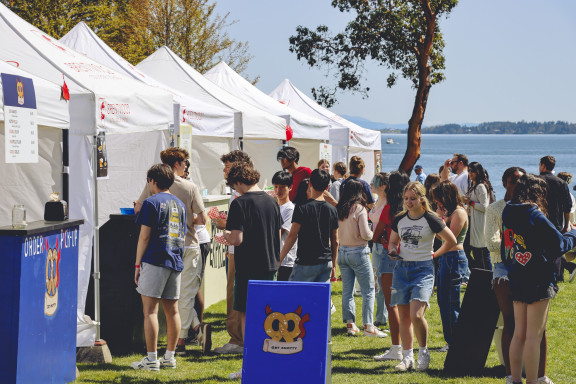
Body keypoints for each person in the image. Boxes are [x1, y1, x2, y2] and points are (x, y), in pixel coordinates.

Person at [134, 148, 210, 355]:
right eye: (185, 161)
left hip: (160, 248)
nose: (187, 165)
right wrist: (186, 220)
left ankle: (169, 349)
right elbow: (202, 219)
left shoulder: (153, 189)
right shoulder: (189, 187)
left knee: (153, 308)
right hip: (186, 244)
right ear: (176, 163)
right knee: (182, 299)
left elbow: (139, 210)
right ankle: (179, 345)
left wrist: (137, 263)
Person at [502, 174, 576, 384]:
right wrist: (574, 234)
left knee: (519, 333)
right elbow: (559, 244)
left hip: (517, 273)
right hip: (538, 277)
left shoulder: (508, 210)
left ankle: (515, 379)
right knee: (534, 335)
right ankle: (532, 381)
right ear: (537, 192)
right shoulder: (534, 213)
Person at [485, 166, 551, 384]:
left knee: (534, 328)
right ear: (504, 183)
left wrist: (516, 241)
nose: (517, 184)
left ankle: (537, 376)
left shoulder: (524, 209)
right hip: (506, 267)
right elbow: (491, 242)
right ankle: (512, 375)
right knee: (513, 325)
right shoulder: (498, 208)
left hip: (521, 265)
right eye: (513, 180)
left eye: (520, 180)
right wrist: (517, 242)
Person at [388, 182, 457, 372]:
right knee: (404, 317)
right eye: (406, 199)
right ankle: (407, 356)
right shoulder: (400, 219)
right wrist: (392, 250)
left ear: (421, 199)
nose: (409, 202)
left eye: (412, 198)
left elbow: (451, 240)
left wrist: (435, 255)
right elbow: (393, 241)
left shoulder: (431, 219)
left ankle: (423, 351)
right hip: (401, 269)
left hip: (423, 270)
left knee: (416, 315)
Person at [223, 162, 282, 380]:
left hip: (248, 267)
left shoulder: (240, 203)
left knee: (247, 317)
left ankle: (251, 364)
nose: (234, 190)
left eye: (233, 186)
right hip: (270, 264)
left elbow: (237, 240)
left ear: (238, 182)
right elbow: (277, 235)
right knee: (269, 316)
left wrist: (225, 234)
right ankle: (268, 361)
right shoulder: (271, 200)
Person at [131, 164, 186, 371]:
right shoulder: (179, 203)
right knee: (173, 311)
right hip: (175, 259)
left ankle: (152, 359)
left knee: (150, 312)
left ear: (152, 181)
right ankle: (169, 357)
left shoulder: (150, 203)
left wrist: (137, 264)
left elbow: (144, 236)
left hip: (155, 259)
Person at [213, 150, 253, 355]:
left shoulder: (240, 195)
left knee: (235, 295)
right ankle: (239, 337)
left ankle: (237, 339)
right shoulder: (242, 193)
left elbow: (242, 225)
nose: (224, 170)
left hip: (237, 251)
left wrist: (224, 224)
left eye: (227, 167)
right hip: (237, 250)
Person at [336, 179, 387, 337]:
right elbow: (365, 234)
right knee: (369, 290)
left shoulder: (340, 209)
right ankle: (369, 326)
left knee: (347, 291)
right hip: (358, 251)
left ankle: (350, 325)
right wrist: (374, 234)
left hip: (342, 252)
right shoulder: (359, 208)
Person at [373, 171, 410, 362]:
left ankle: (396, 347)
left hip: (390, 256)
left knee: (392, 305)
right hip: (410, 257)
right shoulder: (411, 209)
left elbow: (376, 234)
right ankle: (409, 348)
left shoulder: (390, 209)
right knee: (408, 306)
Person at [280, 169, 339, 283]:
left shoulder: (302, 208)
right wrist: (334, 265)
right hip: (325, 262)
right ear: (327, 187)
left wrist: (280, 259)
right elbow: (335, 240)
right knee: (319, 299)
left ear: (310, 184)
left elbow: (292, 236)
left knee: (296, 297)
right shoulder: (332, 210)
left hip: (305, 262)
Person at [432, 180, 469, 352]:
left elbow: (450, 239)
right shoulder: (450, 212)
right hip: (447, 257)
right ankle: (451, 340)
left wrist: (434, 255)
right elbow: (441, 237)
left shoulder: (459, 213)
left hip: (454, 257)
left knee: (451, 302)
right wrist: (440, 219)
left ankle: (456, 342)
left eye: (439, 199)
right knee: (443, 301)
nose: (437, 203)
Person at [540, 157, 573, 282]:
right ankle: (557, 277)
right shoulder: (561, 183)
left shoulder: (537, 181)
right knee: (556, 252)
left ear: (542, 165)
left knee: (540, 251)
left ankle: (543, 276)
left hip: (540, 221)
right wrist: (566, 225)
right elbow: (567, 206)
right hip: (556, 221)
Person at [463, 161, 494, 270]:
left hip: (479, 224)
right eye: (469, 170)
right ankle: (479, 274)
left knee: (481, 255)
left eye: (473, 171)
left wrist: (470, 202)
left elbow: (485, 207)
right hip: (473, 222)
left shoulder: (480, 186)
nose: (470, 173)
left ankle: (488, 279)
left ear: (478, 172)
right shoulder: (474, 186)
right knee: (470, 251)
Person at [369, 173, 390, 327]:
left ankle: (382, 317)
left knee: (383, 282)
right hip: (375, 244)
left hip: (383, 244)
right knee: (377, 281)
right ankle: (381, 316)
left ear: (383, 185)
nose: (371, 185)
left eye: (374, 183)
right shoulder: (378, 200)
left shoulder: (387, 202)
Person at [272, 170, 298, 281]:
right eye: (276, 186)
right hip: (274, 259)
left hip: (285, 261)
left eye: (282, 187)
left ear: (290, 187)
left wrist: (279, 260)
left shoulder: (290, 209)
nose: (278, 190)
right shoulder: (274, 207)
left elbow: (279, 231)